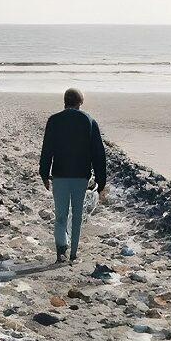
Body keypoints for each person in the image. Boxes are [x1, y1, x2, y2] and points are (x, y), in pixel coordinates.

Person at [39, 88, 108, 263]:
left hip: (60, 175)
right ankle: (73, 254)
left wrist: (44, 173)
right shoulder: (88, 120)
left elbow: (47, 149)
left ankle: (60, 251)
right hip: (80, 176)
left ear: (65, 101)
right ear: (80, 102)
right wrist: (101, 179)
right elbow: (98, 153)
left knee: (60, 215)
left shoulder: (54, 120)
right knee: (77, 216)